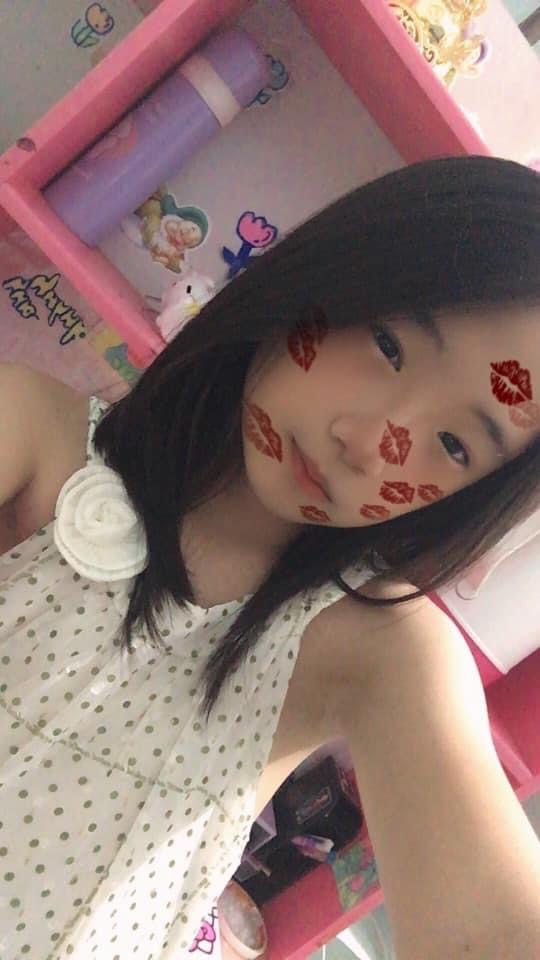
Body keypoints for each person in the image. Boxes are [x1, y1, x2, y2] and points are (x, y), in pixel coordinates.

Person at [1, 155, 539, 960]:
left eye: (456, 445)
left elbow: (493, 935)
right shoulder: (32, 431)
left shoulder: (374, 651)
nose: (369, 443)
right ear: (330, 270)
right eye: (388, 343)